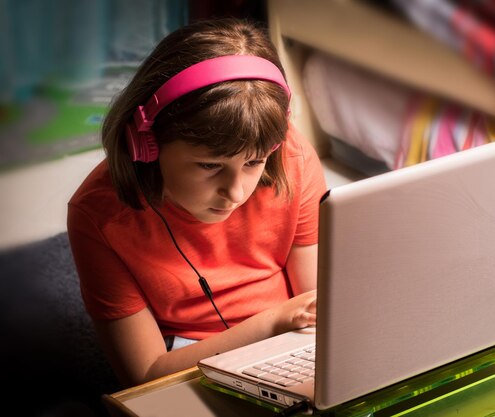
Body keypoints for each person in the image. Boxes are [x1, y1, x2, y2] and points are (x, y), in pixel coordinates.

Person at [67, 18, 327, 388]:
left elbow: (315, 300)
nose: (236, 193)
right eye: (210, 166)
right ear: (147, 144)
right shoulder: (97, 215)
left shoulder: (291, 155)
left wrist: (291, 325)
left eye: (254, 163)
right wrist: (274, 320)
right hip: (189, 359)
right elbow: (145, 375)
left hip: (292, 339)